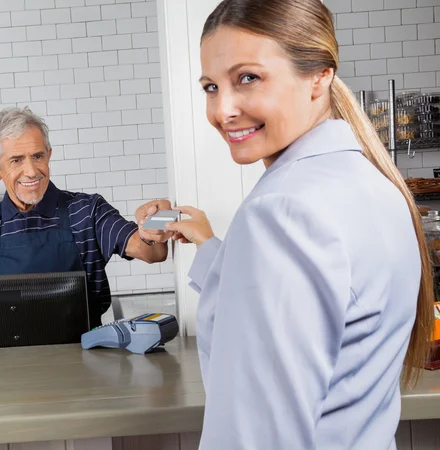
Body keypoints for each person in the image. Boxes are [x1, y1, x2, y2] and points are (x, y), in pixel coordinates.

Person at [166, 1, 434, 449]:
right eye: (211, 86)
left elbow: (255, 438)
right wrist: (210, 243)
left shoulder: (282, 210)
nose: (222, 109)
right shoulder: (376, 185)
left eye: (247, 78)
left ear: (319, 76)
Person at [0, 107, 173, 328]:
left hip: (83, 358)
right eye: (17, 160)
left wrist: (158, 219)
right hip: (5, 361)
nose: (31, 171)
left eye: (37, 156)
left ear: (49, 155)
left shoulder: (87, 211)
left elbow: (151, 251)